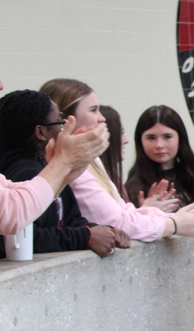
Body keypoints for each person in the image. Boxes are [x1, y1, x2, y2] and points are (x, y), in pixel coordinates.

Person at [41, 78, 194, 240]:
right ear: (66, 119)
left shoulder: (90, 160)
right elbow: (116, 223)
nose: (101, 119)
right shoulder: (70, 163)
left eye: (167, 137)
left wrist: (184, 215)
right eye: (93, 110)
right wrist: (174, 223)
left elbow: (124, 211)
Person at [0, 89, 128, 259]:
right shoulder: (26, 169)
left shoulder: (45, 169)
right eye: (60, 124)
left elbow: (71, 219)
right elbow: (23, 230)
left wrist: (101, 231)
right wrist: (85, 237)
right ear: (40, 132)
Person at [0, 75, 109, 236]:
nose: (2, 85)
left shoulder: (41, 167)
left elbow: (14, 194)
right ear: (40, 132)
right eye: (93, 110)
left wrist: (62, 175)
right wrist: (64, 163)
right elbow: (14, 217)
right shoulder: (26, 169)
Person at [125, 105, 194, 206]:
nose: (159, 145)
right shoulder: (135, 185)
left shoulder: (191, 173)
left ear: (180, 138)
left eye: (167, 137)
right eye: (151, 138)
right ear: (140, 141)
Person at [98, 105, 128, 201]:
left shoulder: (113, 177)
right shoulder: (96, 181)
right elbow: (118, 215)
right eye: (120, 133)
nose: (126, 140)